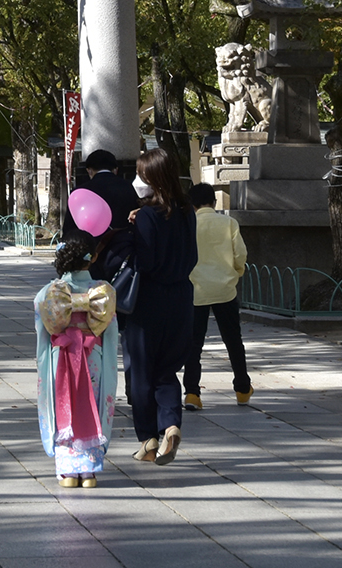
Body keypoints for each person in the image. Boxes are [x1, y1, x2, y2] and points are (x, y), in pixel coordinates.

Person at [120, 147, 197, 465]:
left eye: (141, 175)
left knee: (140, 371)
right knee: (166, 369)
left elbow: (145, 262)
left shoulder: (146, 217)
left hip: (148, 299)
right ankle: (172, 424)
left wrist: (133, 237)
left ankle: (148, 438)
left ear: (151, 178)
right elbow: (192, 256)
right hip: (181, 298)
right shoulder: (186, 212)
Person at [35, 236, 119, 488]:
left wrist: (44, 358)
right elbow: (112, 332)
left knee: (62, 405)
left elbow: (43, 330)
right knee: (91, 404)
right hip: (93, 355)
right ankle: (89, 471)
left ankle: (68, 471)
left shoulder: (51, 292)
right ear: (92, 258)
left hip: (61, 356)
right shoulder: (103, 292)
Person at [183, 182, 251, 411]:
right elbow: (240, 254)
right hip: (224, 289)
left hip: (195, 291)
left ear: (191, 205)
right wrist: (236, 272)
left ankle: (192, 392)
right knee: (233, 340)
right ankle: (242, 388)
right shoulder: (229, 223)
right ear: (214, 202)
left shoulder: (188, 224)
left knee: (194, 344)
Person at [63, 149, 138, 243]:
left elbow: (69, 227)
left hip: (91, 247)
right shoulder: (129, 188)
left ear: (89, 171)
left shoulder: (80, 192)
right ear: (116, 170)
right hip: (123, 246)